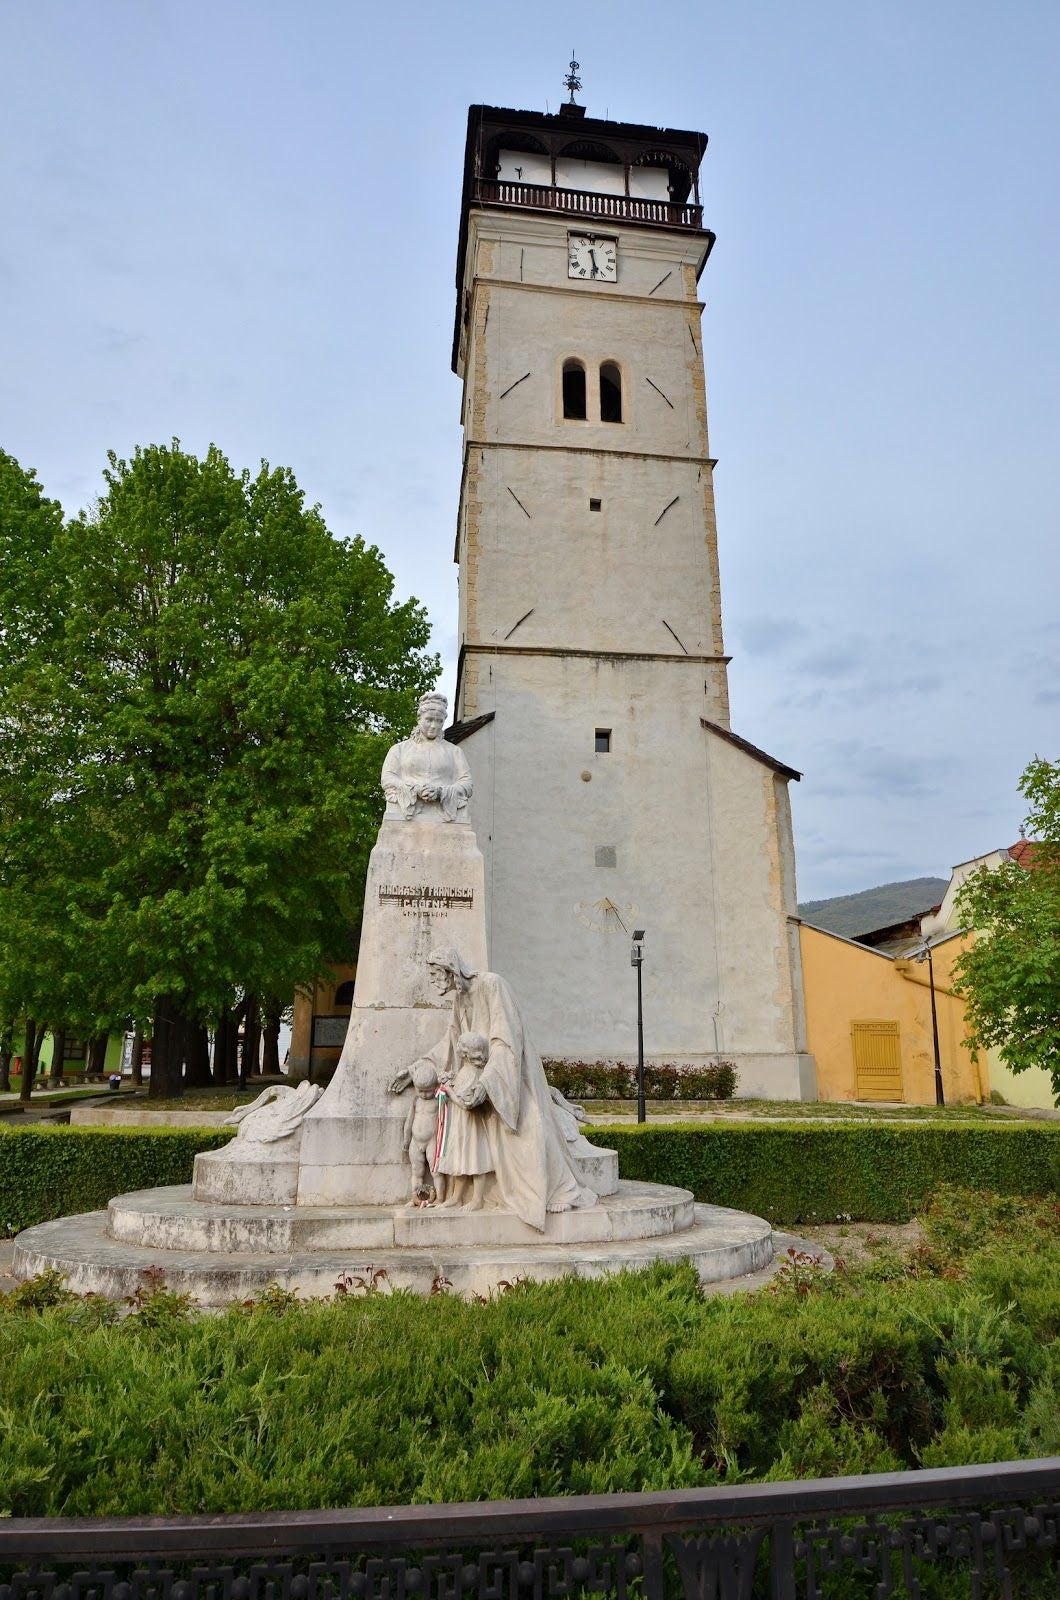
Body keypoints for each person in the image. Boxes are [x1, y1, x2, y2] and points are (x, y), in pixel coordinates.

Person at [390, 948, 596, 1231]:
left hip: (508, 1079)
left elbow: (505, 1041)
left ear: (451, 970)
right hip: (475, 1081)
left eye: (436, 974)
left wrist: (487, 1084)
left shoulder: (492, 985)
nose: (434, 980)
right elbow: (450, 1044)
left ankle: (562, 1191)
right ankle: (467, 1194)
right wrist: (416, 1069)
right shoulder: (459, 999)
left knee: (531, 1126)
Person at [381, 692, 472, 823]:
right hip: (404, 814)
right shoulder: (399, 749)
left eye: (439, 721)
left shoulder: (454, 752)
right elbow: (387, 778)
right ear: (419, 719)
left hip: (444, 815)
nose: (434, 726)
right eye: (429, 720)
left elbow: (467, 783)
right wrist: (415, 790)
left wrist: (441, 792)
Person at [437, 1032, 493, 1211]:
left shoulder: (475, 1073)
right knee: (459, 1159)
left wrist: (449, 1091)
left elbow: (467, 1104)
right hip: (460, 1124)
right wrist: (450, 1082)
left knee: (476, 1158)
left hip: (471, 1124)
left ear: (468, 1052)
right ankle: (456, 1197)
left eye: (460, 1045)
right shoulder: (465, 1070)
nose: (457, 1047)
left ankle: (477, 1200)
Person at [401, 1062, 447, 1207]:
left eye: (428, 1091)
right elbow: (409, 1120)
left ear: (435, 1086)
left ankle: (440, 1198)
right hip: (416, 1141)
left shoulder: (439, 1100)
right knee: (416, 1171)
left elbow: (445, 1119)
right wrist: (406, 1138)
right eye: (420, 1090)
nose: (424, 1094)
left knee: (436, 1171)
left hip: (432, 1140)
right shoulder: (416, 1101)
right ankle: (415, 1198)